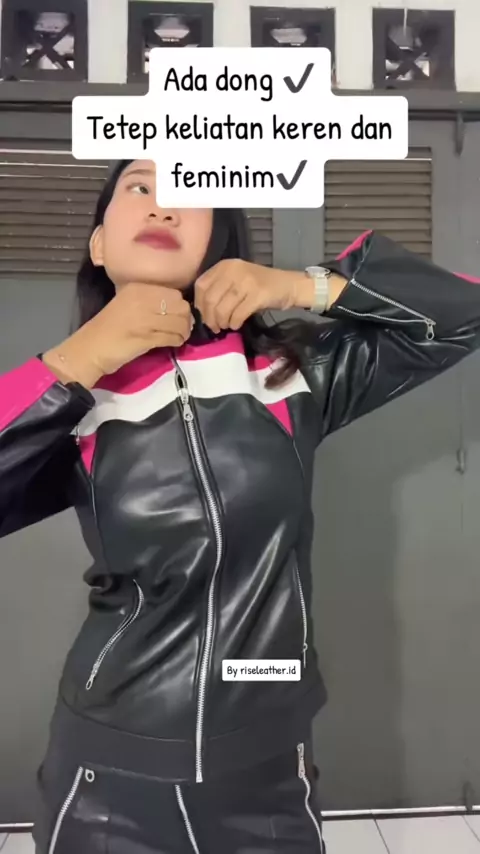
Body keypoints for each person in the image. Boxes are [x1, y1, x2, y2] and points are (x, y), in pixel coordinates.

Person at [1, 158, 479, 854]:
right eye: (139, 187)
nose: (162, 205)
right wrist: (79, 358)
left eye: (186, 191)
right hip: (109, 776)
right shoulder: (69, 400)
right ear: (99, 243)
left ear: (217, 240)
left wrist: (302, 285)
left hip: (265, 773)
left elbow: (462, 314)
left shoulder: (286, 377)